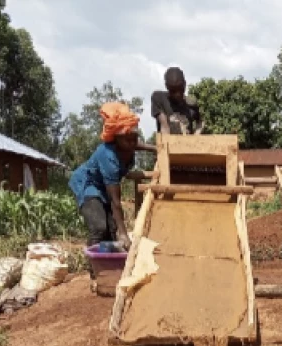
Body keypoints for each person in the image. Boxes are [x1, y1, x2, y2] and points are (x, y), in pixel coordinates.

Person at [68, 102, 156, 250]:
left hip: (103, 187)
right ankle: (95, 268)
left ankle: (108, 265)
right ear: (116, 139)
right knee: (99, 228)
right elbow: (116, 201)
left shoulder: (129, 144)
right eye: (127, 138)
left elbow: (136, 144)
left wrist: (155, 148)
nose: (132, 142)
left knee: (111, 229)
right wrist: (124, 234)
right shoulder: (108, 156)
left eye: (134, 137)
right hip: (89, 185)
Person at [150, 67, 203, 135]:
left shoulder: (191, 103)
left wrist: (195, 137)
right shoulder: (159, 98)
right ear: (167, 86)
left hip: (188, 144)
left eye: (181, 89)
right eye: (173, 91)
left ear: (185, 84)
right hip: (168, 143)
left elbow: (200, 122)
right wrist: (169, 144)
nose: (177, 94)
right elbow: (165, 127)